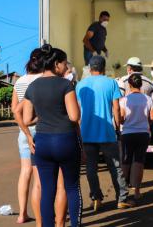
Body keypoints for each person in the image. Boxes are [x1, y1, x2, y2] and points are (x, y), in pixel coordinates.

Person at [23, 44, 82, 227]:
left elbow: (26, 119)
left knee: (47, 190)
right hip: (65, 140)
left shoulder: (32, 86)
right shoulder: (66, 84)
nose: (66, 68)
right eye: (64, 64)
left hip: (43, 142)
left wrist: (45, 114)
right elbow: (74, 116)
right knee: (71, 187)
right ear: (56, 64)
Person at [11, 49, 67, 226]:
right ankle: (49, 220)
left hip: (23, 132)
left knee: (25, 173)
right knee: (43, 182)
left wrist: (25, 131)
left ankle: (22, 214)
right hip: (43, 131)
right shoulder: (42, 81)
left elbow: (15, 110)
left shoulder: (19, 81)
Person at [76, 55, 133, 211]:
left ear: (89, 67)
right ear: (103, 67)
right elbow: (116, 107)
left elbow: (78, 110)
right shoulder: (111, 83)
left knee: (91, 168)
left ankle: (96, 197)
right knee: (115, 166)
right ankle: (121, 198)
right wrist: (118, 124)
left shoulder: (80, 85)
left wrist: (80, 128)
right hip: (107, 131)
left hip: (86, 132)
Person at [120, 73, 153, 200]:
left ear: (129, 85)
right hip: (143, 134)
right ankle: (137, 191)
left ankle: (122, 191)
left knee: (126, 161)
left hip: (127, 134)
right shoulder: (148, 99)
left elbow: (122, 119)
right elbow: (152, 118)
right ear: (141, 85)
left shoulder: (124, 100)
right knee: (139, 161)